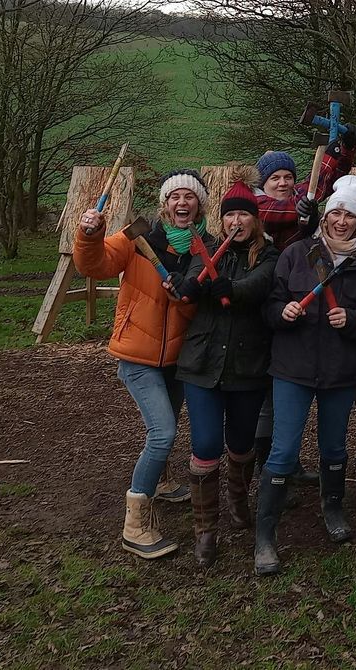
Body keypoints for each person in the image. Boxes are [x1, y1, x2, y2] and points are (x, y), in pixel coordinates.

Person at [74, 168, 214, 559]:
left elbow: (199, 303)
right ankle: (135, 522)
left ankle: (163, 482)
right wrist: (89, 233)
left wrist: (185, 295)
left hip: (178, 357)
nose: (182, 203)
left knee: (167, 422)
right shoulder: (138, 240)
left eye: (189, 197)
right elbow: (94, 264)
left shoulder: (202, 248)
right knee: (163, 432)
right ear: (164, 204)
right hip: (137, 354)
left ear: (199, 204)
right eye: (175, 197)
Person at [254, 175, 356, 575]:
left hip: (340, 370)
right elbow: (270, 305)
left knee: (333, 447)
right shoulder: (298, 254)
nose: (341, 221)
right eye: (336, 213)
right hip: (292, 368)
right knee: (283, 450)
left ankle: (333, 510)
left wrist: (355, 319)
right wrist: (283, 313)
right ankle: (265, 536)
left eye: (349, 215)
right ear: (325, 217)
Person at [171, 166, 278, 568]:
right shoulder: (205, 249)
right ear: (223, 219)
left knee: (240, 444)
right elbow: (188, 281)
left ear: (255, 219)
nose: (236, 221)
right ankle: (206, 530)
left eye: (244, 215)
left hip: (247, 366)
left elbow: (259, 285)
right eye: (230, 215)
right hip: (201, 364)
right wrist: (187, 285)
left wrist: (231, 289)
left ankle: (237, 501)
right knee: (205, 447)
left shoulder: (269, 255)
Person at [252, 128, 356, 486]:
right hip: (265, 303)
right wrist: (305, 215)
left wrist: (343, 149)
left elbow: (325, 181)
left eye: (288, 177)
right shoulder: (258, 206)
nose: (283, 183)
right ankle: (270, 464)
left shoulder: (302, 200)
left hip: (299, 307)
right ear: (262, 183)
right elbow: (286, 211)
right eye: (275, 178)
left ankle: (290, 466)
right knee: (271, 398)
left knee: (283, 397)